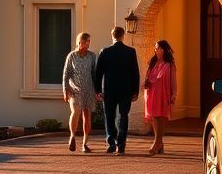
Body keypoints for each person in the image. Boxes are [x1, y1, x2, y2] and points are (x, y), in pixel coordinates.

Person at [94, 25, 140, 154]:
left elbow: (99, 73)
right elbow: (135, 73)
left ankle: (111, 141)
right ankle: (122, 141)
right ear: (122, 36)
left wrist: (98, 89)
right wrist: (135, 91)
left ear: (112, 36)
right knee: (123, 115)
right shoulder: (130, 52)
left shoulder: (105, 52)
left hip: (109, 88)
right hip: (126, 88)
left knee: (109, 115)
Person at [62, 32, 97, 152]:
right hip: (75, 89)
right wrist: (65, 90)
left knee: (87, 115)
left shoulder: (92, 56)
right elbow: (66, 74)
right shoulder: (72, 56)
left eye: (89, 42)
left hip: (88, 88)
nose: (87, 44)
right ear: (79, 42)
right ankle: (72, 136)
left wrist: (97, 90)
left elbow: (94, 73)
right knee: (75, 110)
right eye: (85, 42)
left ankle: (85, 143)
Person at [143, 39, 177, 155]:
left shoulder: (169, 65)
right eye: (155, 48)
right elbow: (148, 76)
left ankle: (156, 143)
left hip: (163, 93)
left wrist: (174, 94)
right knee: (154, 118)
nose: (156, 50)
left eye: (158, 48)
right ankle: (160, 143)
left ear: (164, 49)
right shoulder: (152, 62)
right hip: (151, 92)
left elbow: (173, 80)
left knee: (160, 117)